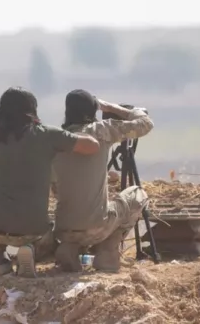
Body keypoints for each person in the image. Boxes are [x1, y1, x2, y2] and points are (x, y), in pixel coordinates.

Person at [0, 87, 100, 278]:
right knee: (46, 228)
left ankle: (0, 258)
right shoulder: (47, 135)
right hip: (36, 230)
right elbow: (92, 147)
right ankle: (29, 251)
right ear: (32, 110)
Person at [51, 90, 154, 273]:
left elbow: (57, 188)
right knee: (138, 194)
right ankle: (107, 252)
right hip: (96, 226)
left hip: (63, 229)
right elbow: (145, 124)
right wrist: (113, 108)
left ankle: (70, 248)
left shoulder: (56, 140)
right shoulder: (100, 130)